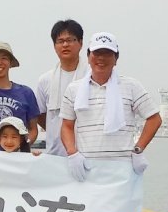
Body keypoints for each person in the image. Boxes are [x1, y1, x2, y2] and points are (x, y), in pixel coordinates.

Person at [60, 32, 162, 181]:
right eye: (97, 53)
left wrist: (138, 150)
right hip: (86, 169)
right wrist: (72, 153)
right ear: (88, 56)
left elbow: (154, 119)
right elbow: (66, 126)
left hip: (122, 169)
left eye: (107, 53)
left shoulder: (131, 86)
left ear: (116, 58)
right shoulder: (74, 89)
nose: (101, 58)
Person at [35, 19, 88, 156]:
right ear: (54, 46)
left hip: (87, 154)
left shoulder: (91, 77)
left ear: (81, 43)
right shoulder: (45, 80)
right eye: (60, 41)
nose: (65, 44)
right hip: (55, 155)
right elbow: (40, 115)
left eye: (70, 40)